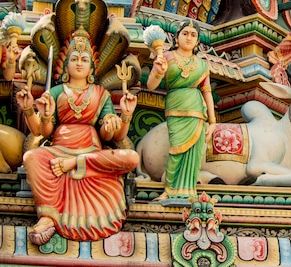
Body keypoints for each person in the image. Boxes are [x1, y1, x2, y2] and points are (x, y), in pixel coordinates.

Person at [16, 27, 139, 246]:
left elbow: (112, 133)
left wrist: (125, 116)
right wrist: (30, 111)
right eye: (74, 58)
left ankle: (75, 163)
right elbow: (42, 132)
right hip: (59, 148)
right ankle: (48, 216)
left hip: (91, 151)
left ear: (92, 67)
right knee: (32, 158)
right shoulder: (56, 92)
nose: (79, 62)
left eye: (84, 59)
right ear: (66, 65)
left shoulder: (101, 94)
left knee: (131, 158)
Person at [147, 19, 216, 201]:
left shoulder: (202, 65)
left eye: (193, 35)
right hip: (176, 107)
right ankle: (169, 190)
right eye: (185, 33)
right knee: (176, 150)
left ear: (197, 41)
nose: (189, 37)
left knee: (194, 154)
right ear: (177, 38)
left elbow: (207, 92)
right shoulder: (167, 57)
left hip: (197, 112)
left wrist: (213, 121)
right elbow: (151, 85)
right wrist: (158, 71)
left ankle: (188, 192)